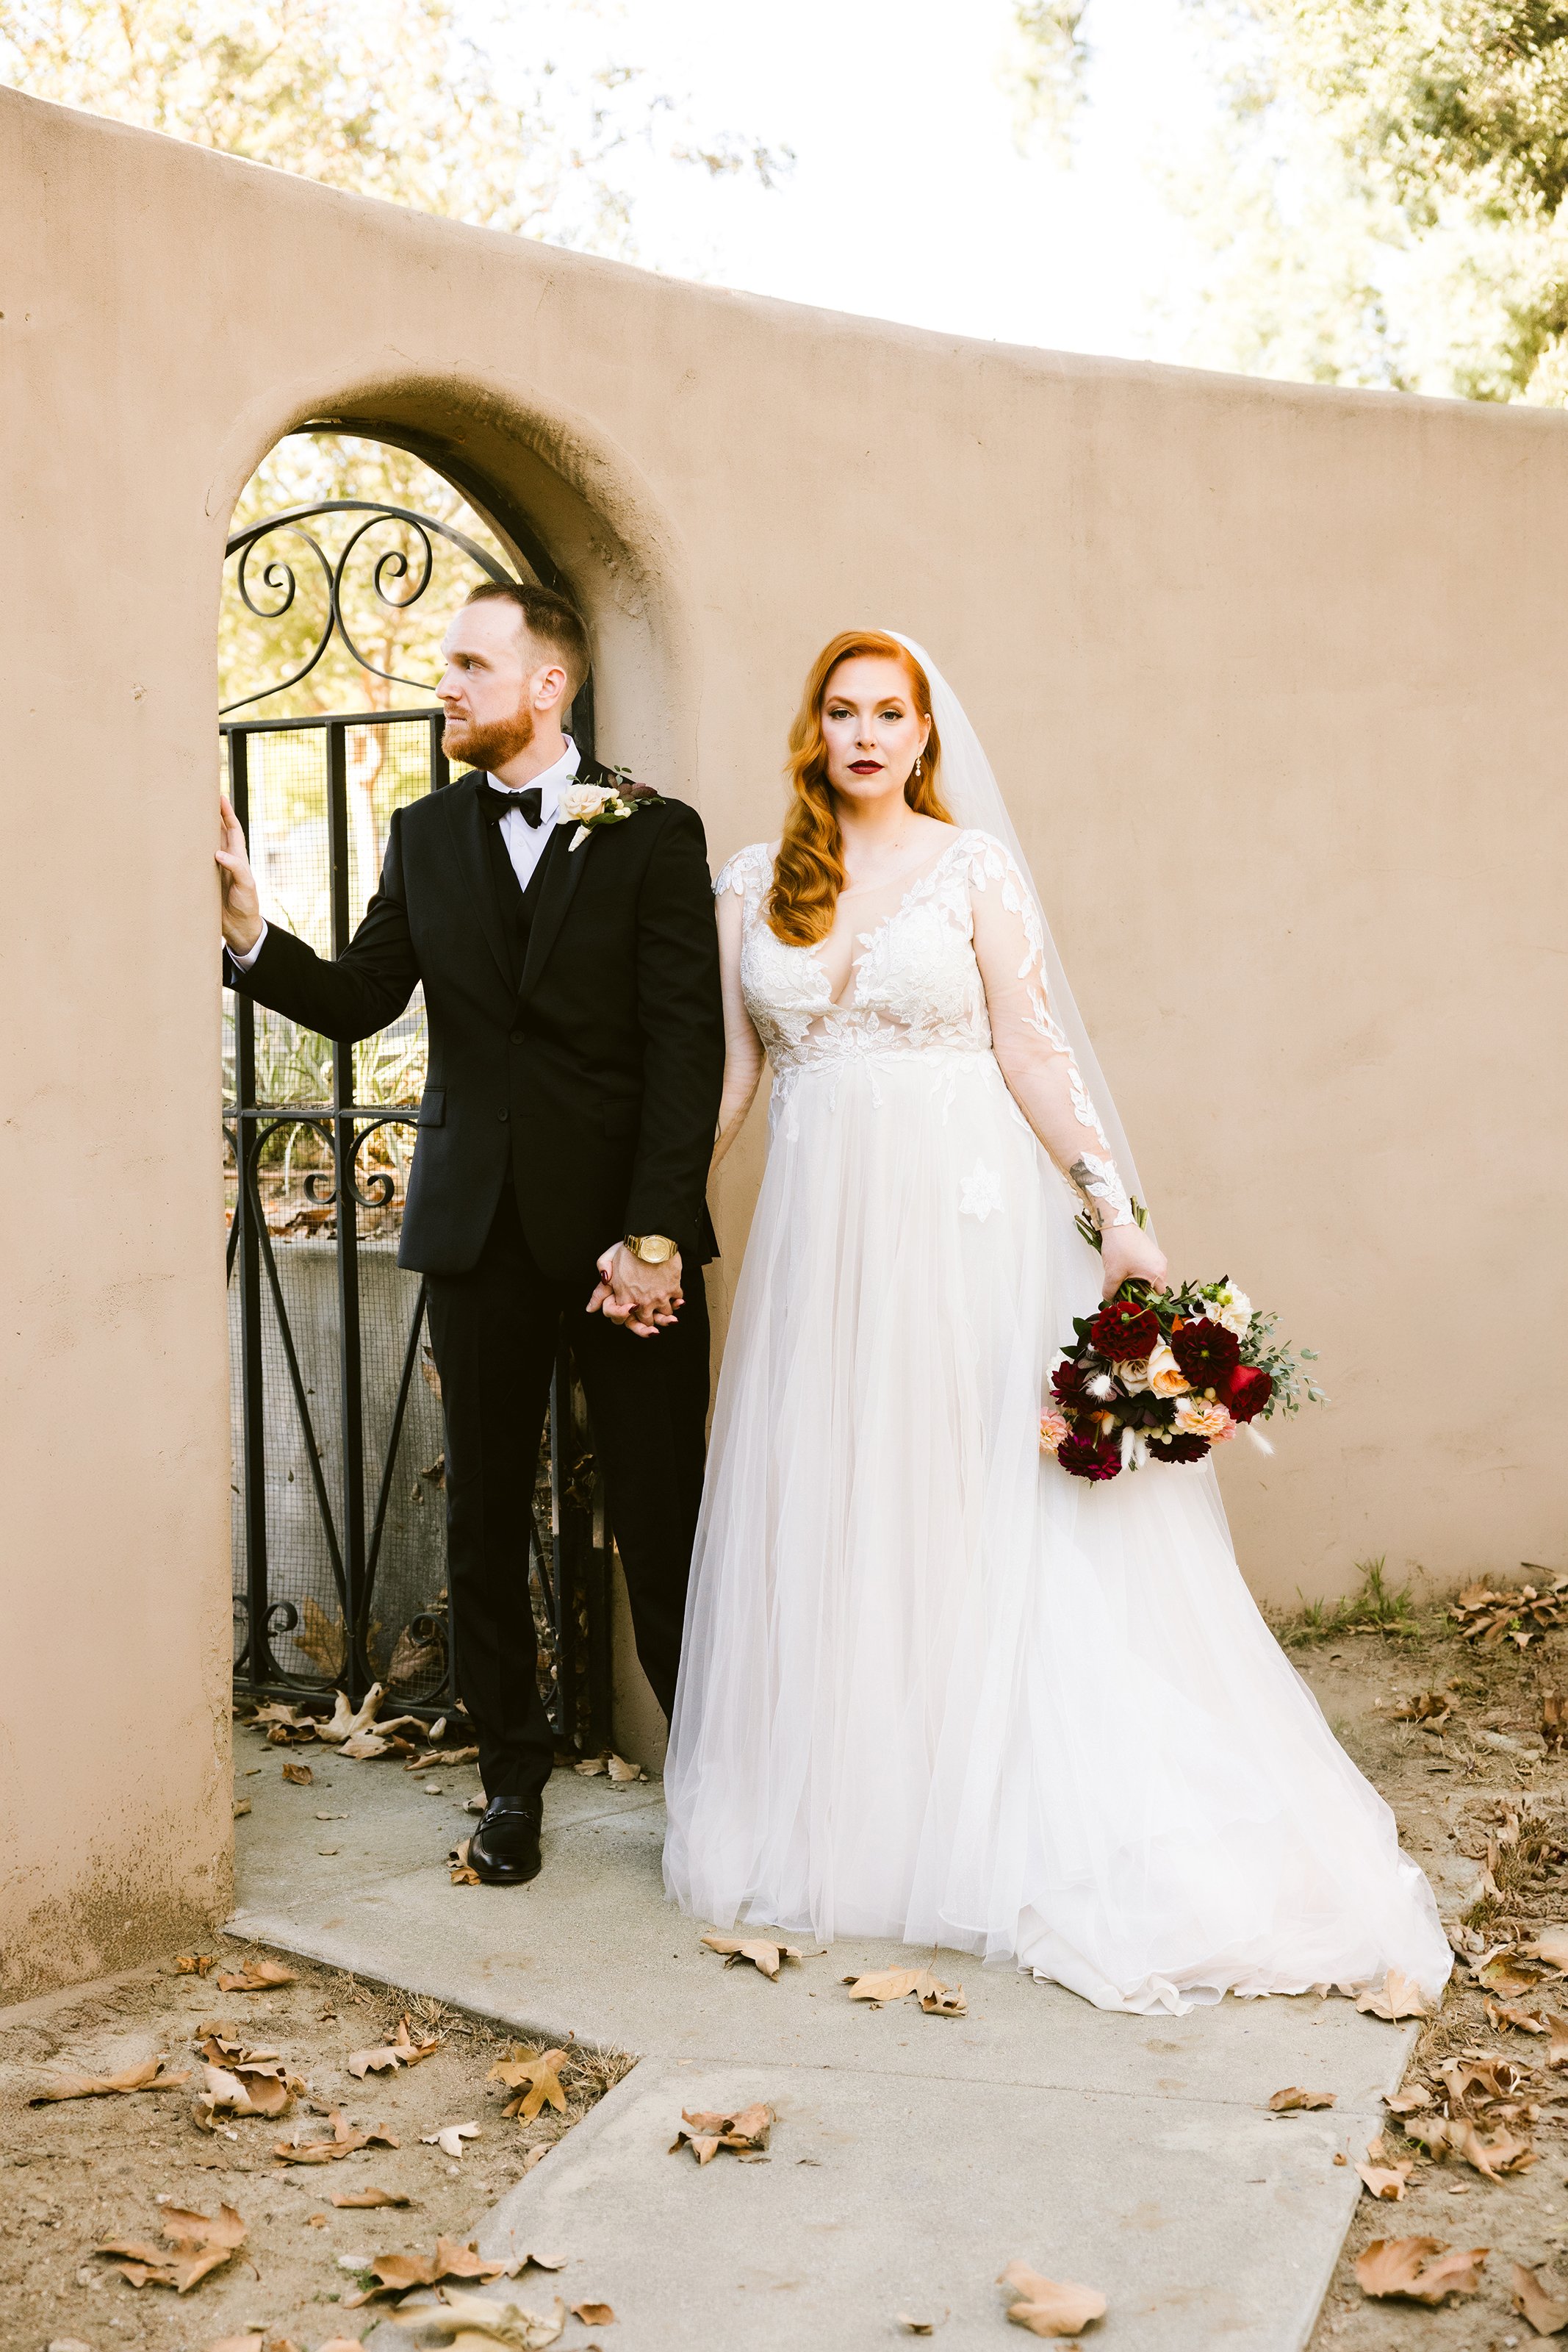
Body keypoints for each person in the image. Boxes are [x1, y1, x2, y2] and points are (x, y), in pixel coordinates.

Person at [661, 628, 1451, 2015]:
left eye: (887, 713)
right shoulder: (748, 884)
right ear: (812, 729)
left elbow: (1030, 1044)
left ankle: (992, 1815)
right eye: (839, 711)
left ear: (922, 734)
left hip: (962, 1229)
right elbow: (734, 1074)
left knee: (974, 1496)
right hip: (820, 1244)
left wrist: (1112, 1209)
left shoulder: (970, 869)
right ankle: (867, 1814)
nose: (862, 734)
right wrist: (661, 1222)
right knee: (849, 1497)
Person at [218, 581, 724, 1886]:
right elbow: (356, 1000)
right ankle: (511, 1787)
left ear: (545, 684)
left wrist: (657, 1235)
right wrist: (250, 936)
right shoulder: (425, 832)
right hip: (477, 1231)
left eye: (466, 664)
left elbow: (686, 1050)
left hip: (626, 1250)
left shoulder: (653, 832)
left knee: (665, 1517)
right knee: (484, 1523)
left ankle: (721, 1781)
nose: (442, 682)